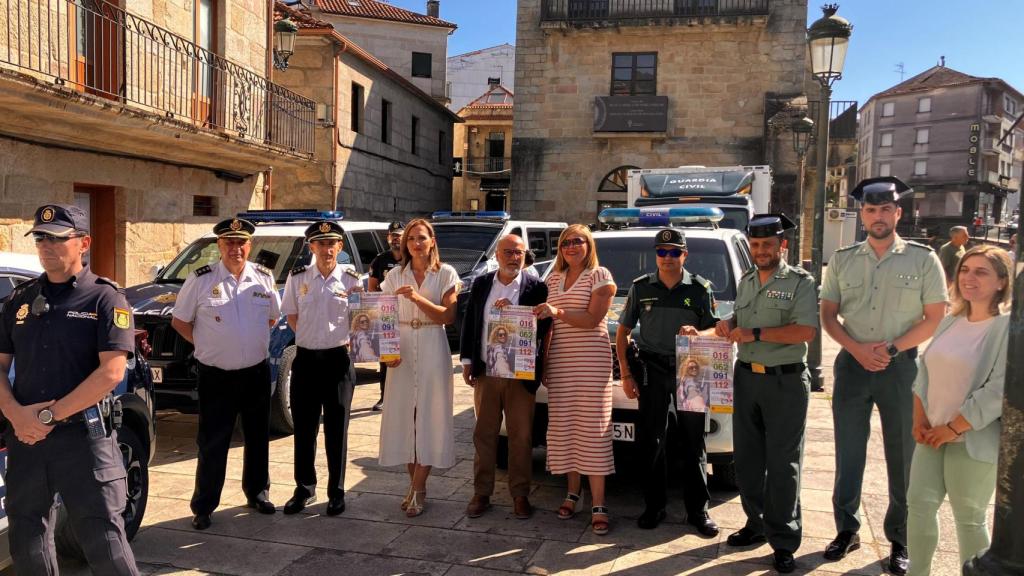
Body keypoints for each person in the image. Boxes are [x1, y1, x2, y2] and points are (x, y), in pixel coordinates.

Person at [0, 204, 140, 575]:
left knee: (105, 544)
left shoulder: (106, 299)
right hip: (28, 441)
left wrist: (47, 415)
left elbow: (111, 372)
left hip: (84, 440)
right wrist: (17, 415)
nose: (47, 246)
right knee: (27, 543)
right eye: (41, 238)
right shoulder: (20, 299)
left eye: (59, 239)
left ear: (84, 243)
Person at [820, 177, 947, 575]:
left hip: (901, 369)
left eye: (885, 210)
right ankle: (847, 529)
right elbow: (828, 314)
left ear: (898, 213)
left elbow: (935, 318)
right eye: (871, 210)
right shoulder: (842, 258)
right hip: (853, 366)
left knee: (902, 456)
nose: (878, 216)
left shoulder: (923, 259)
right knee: (849, 453)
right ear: (862, 214)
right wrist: (857, 349)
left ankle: (901, 537)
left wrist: (890, 349)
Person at [715, 213, 818, 574]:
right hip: (747, 379)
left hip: (784, 383)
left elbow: (805, 331)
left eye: (767, 245)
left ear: (781, 246)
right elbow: (740, 323)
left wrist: (755, 333)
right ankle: (756, 523)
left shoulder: (800, 282)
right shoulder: (745, 280)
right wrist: (729, 324)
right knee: (747, 460)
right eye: (755, 245)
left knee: (783, 465)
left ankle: (784, 539)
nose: (760, 251)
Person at [171, 217, 282, 530]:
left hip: (255, 373)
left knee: (258, 437)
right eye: (229, 242)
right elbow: (180, 321)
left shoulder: (263, 277)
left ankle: (258, 493)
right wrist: (207, 344)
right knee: (213, 441)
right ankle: (204, 505)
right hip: (216, 374)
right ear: (219, 246)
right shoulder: (201, 279)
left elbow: (272, 318)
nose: (236, 248)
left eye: (241, 242)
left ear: (250, 245)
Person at [907, 246, 1011, 576]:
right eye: (966, 270)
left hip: (971, 438)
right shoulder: (951, 320)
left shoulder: (1006, 327)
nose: (970, 278)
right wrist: (920, 419)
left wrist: (952, 428)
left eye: (981, 272)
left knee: (969, 517)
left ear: (1001, 282)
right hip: (930, 433)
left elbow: (998, 390)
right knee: (919, 507)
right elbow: (924, 373)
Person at [615, 228, 720, 537]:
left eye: (675, 252)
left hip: (691, 369)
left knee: (693, 440)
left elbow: (717, 330)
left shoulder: (701, 289)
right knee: (652, 441)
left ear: (684, 255)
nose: (668, 257)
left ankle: (698, 511)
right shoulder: (641, 287)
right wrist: (625, 372)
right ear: (656, 255)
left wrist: (699, 334)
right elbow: (623, 331)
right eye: (662, 252)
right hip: (652, 370)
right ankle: (654, 506)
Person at [460, 234, 551, 520]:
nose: (514, 257)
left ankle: (520, 494)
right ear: (497, 255)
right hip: (487, 371)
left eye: (519, 253)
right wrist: (467, 361)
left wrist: (514, 313)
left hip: (520, 374)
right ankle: (482, 492)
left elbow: (545, 329)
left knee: (521, 437)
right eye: (509, 252)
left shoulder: (537, 287)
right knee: (484, 434)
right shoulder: (482, 283)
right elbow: (471, 322)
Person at [534, 225, 616, 535]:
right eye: (566, 242)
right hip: (560, 362)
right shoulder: (552, 278)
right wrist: (543, 359)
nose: (571, 246)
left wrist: (557, 311)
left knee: (593, 431)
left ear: (588, 245)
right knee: (565, 427)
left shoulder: (600, 275)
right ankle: (572, 493)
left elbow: (593, 319)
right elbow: (546, 322)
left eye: (577, 241)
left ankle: (598, 503)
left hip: (592, 364)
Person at [279, 220, 362, 516]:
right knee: (304, 428)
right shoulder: (298, 276)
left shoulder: (352, 280)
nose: (327, 249)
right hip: (306, 360)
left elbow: (361, 319)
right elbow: (291, 314)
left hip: (338, 361)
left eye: (332, 244)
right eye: (321, 244)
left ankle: (336, 492)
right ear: (311, 247)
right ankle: (304, 488)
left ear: (340, 247)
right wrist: (311, 337)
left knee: (337, 429)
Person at [378, 219, 460, 517]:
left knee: (429, 413)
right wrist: (386, 351)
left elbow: (448, 316)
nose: (415, 243)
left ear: (432, 241)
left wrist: (416, 297)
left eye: (421, 238)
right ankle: (413, 484)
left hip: (431, 343)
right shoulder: (393, 274)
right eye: (411, 238)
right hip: (401, 345)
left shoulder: (446, 273)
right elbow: (382, 316)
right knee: (404, 416)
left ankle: (419, 487)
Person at [368, 220, 404, 411]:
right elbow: (372, 288)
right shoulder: (380, 260)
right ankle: (385, 397)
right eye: (393, 235)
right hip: (387, 315)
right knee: (386, 360)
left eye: (400, 235)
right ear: (388, 238)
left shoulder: (411, 258)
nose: (396, 238)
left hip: (408, 314)